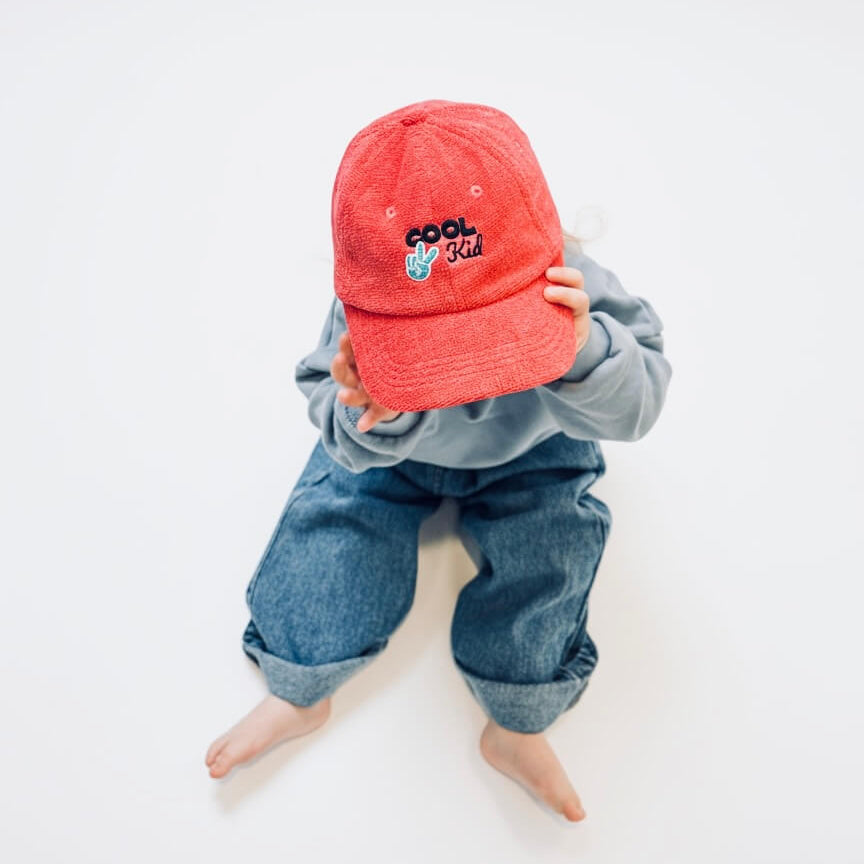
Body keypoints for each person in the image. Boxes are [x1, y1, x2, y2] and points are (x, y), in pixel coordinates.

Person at [204, 100, 673, 823]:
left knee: (555, 549)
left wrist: (581, 350)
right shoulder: (363, 314)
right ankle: (297, 686)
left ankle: (517, 721)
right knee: (333, 515)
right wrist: (377, 414)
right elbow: (327, 412)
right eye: (437, 345)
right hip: (401, 453)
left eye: (488, 338)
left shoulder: (570, 278)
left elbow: (638, 405)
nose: (471, 373)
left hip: (534, 452)